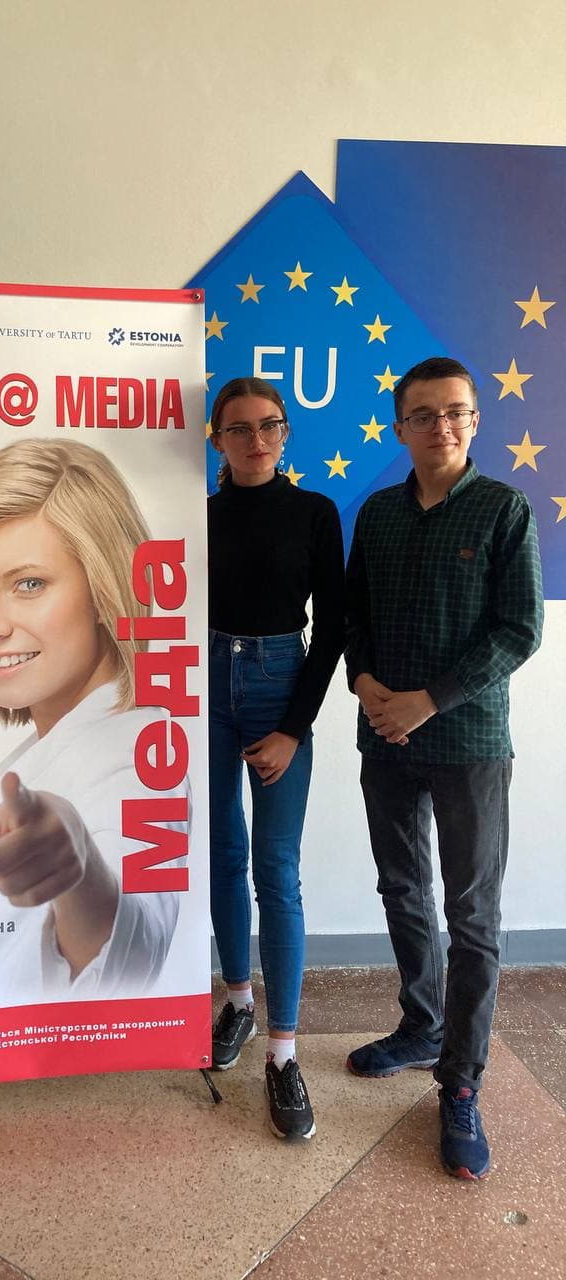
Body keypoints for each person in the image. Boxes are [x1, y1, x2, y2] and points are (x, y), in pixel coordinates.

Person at [345, 355, 543, 1180]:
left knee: (471, 913)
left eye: (455, 412)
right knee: (401, 889)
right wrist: (363, 681)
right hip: (385, 739)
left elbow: (519, 630)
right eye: (423, 414)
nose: (441, 426)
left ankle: (460, 1082)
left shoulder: (504, 509)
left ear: (475, 420)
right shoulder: (378, 513)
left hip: (469, 746)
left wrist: (431, 700)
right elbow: (351, 614)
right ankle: (420, 1026)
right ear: (401, 427)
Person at [0, 438, 187, 1007]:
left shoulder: (137, 754)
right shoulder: (47, 746)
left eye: (28, 584)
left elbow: (133, 953)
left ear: (106, 588)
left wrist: (81, 871)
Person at [207, 376, 345, 1141]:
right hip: (203, 684)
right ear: (217, 439)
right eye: (240, 428)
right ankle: (237, 1002)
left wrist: (294, 727)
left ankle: (283, 1055)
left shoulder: (315, 513)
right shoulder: (197, 515)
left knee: (276, 870)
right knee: (222, 854)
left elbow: (334, 629)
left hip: (277, 684)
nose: (256, 440)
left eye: (270, 426)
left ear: (285, 433)